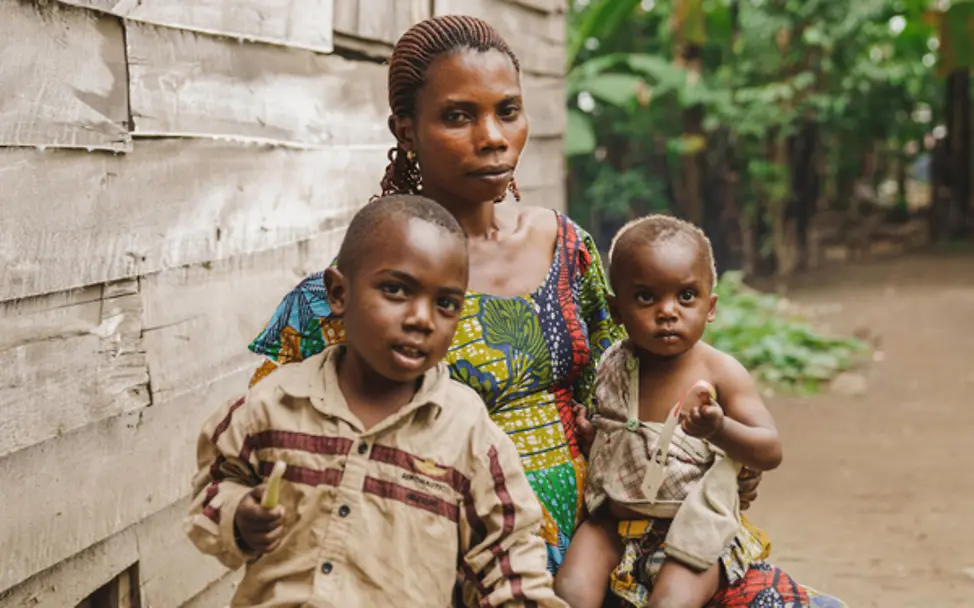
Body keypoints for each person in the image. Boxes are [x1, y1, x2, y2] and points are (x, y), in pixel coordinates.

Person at [246, 14, 764, 602]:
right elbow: (266, 446)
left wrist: (716, 456)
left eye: (507, 111)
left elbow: (631, 382)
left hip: (612, 533)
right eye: (458, 116)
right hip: (458, 556)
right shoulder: (355, 291)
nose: (492, 136)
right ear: (407, 130)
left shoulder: (566, 250)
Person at [186, 195, 568, 607]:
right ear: (338, 293)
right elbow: (216, 484)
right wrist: (239, 513)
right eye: (396, 290)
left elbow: (509, 557)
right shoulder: (273, 406)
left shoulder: (469, 436)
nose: (422, 319)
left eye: (445, 304)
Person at [555, 215, 845, 608]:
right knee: (569, 590)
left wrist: (719, 429)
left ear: (710, 307)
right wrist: (594, 436)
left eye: (686, 296)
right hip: (612, 523)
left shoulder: (720, 372)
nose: (668, 311)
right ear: (616, 309)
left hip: (694, 525)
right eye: (645, 297)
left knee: (671, 602)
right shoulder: (612, 364)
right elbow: (622, 433)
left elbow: (769, 450)